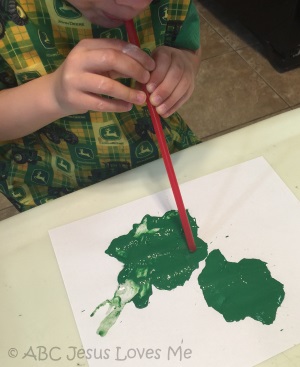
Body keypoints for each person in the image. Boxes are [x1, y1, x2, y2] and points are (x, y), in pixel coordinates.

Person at [0, 0, 201, 211]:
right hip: (56, 187)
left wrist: (184, 63)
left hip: (162, 159)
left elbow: (188, 45)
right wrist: (53, 95)